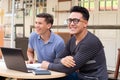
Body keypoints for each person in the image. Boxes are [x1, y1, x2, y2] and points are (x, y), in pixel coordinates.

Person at [41, 6, 108, 80]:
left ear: (85, 23)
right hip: (80, 76)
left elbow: (69, 69)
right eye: (70, 20)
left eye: (76, 20)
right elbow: (57, 59)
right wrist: (62, 60)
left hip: (94, 78)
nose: (72, 24)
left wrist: (48, 65)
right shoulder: (73, 39)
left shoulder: (90, 42)